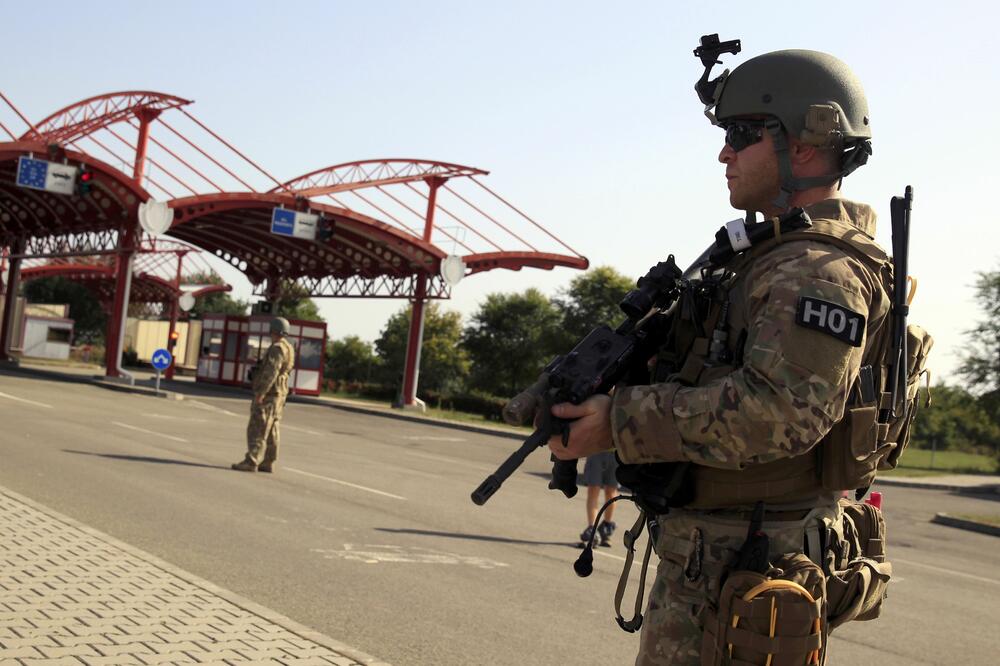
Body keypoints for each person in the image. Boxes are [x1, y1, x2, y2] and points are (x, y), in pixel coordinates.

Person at [546, 46, 916, 665]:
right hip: (720, 553)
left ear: (805, 145)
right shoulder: (764, 255)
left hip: (749, 562)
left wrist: (620, 421)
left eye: (742, 135)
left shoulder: (815, 272)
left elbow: (780, 413)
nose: (724, 153)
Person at [232, 317, 296, 473]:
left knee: (258, 427)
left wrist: (261, 392)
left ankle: (251, 461)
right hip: (280, 394)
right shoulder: (289, 347)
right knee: (272, 428)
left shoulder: (277, 348)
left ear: (273, 330)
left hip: (270, 393)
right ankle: (268, 461)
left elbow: (271, 371)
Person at [576, 451, 619, 548]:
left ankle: (606, 526)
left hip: (616, 451)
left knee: (611, 491)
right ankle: (592, 529)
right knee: (593, 489)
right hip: (596, 448)